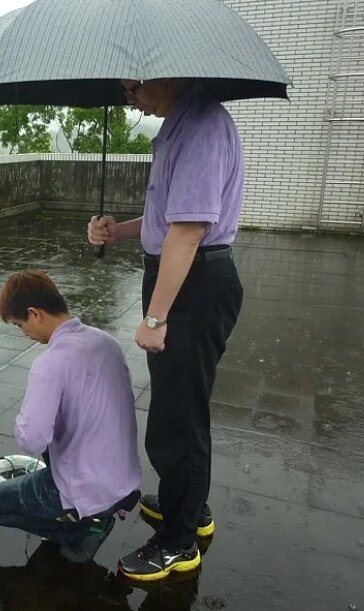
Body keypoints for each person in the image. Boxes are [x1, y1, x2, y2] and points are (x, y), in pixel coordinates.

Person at [88, 78, 244, 581]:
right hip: (187, 276)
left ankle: (177, 543)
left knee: (177, 419)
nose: (127, 96)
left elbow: (189, 230)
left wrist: (155, 318)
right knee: (184, 407)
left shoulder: (199, 126)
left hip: (192, 284)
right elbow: (166, 218)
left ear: (169, 73)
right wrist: (119, 230)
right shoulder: (180, 126)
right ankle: (190, 509)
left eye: (133, 85)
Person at [0, 270, 141, 563]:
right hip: (123, 478)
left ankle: (82, 529)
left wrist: (25, 419)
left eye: (19, 325)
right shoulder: (105, 342)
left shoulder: (50, 363)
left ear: (34, 313)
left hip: (88, 485)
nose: (23, 334)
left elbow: (32, 438)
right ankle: (94, 515)